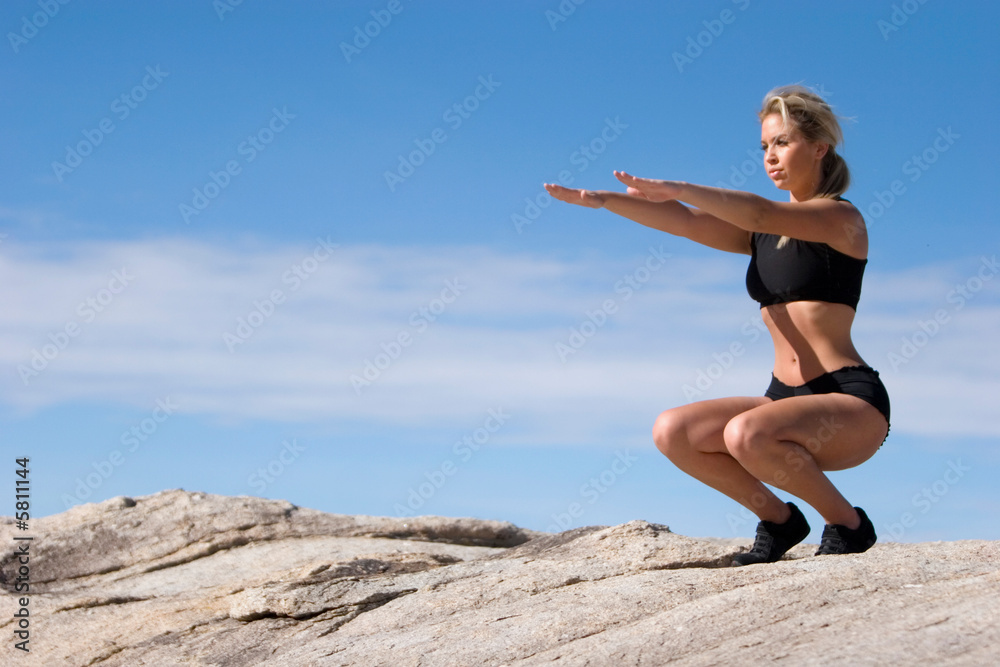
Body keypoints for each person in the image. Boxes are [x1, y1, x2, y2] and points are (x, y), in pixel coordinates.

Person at [544, 85, 890, 566]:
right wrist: (605, 201)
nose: (770, 156)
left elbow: (759, 209)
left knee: (746, 434)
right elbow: (685, 221)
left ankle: (849, 524)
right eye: (765, 146)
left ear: (819, 147)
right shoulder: (761, 234)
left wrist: (680, 186)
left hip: (848, 403)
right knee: (675, 430)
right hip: (781, 401)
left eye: (783, 142)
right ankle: (780, 520)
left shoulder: (839, 217)